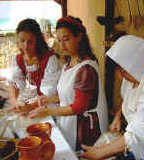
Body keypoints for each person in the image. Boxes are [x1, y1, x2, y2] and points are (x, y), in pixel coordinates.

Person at [20, 16, 109, 151]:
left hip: (85, 129)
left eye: (66, 39)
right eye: (59, 40)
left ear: (79, 37)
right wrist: (44, 101)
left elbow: (79, 106)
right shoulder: (68, 64)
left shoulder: (86, 68)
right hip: (69, 122)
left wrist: (47, 111)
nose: (62, 45)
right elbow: (64, 95)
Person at [8, 18, 61, 109]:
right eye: (22, 41)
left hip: (53, 102)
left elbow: (49, 92)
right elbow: (15, 83)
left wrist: (31, 106)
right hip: (39, 101)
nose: (26, 46)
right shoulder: (18, 59)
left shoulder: (50, 59)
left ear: (37, 40)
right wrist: (14, 101)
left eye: (30, 41)